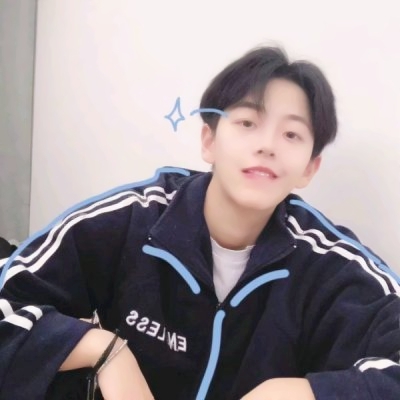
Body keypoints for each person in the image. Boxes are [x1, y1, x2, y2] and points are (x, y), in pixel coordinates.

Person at [0, 46, 399, 400]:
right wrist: (106, 352)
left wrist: (302, 392)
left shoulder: (330, 264)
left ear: (309, 168)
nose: (267, 145)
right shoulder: (135, 219)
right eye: (248, 123)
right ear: (209, 140)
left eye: (292, 134)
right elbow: (9, 301)